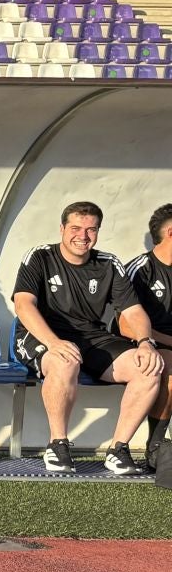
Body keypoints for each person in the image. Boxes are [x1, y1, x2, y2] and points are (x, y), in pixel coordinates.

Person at [12, 200, 162, 474]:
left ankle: (118, 450)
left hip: (92, 337)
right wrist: (54, 343)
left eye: (91, 229)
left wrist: (145, 342)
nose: (83, 236)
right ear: (62, 229)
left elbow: (134, 311)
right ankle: (57, 444)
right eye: (76, 228)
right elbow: (23, 305)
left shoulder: (108, 263)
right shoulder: (40, 256)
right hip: (42, 333)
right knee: (64, 360)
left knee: (149, 368)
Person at [122, 202, 172, 471]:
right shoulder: (141, 269)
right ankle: (156, 448)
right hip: (140, 345)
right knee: (169, 367)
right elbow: (125, 325)